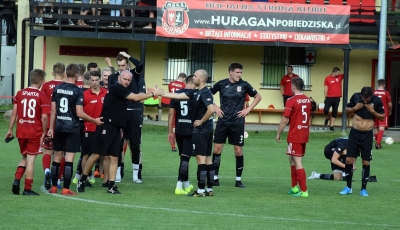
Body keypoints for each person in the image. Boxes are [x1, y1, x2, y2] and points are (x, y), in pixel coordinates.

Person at [76, 70, 162, 194]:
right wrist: (153, 93)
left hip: (117, 128)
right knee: (96, 154)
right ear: (119, 78)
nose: (126, 82)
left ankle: (111, 186)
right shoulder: (116, 87)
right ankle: (82, 179)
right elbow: (136, 97)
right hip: (107, 125)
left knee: (114, 157)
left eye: (128, 80)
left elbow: (136, 98)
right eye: (124, 79)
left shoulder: (122, 90)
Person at [47, 63, 103, 196]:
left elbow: (53, 111)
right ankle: (66, 188)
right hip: (73, 128)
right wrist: (94, 120)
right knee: (69, 159)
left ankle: (54, 186)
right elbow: (79, 113)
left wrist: (50, 128)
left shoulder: (57, 88)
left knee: (57, 158)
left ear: (66, 74)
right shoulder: (78, 91)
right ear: (77, 75)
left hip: (59, 127)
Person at [162, 69, 215, 197]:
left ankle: (201, 190)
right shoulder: (196, 92)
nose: (194, 77)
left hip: (202, 130)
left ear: (201, 79)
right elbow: (179, 96)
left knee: (200, 158)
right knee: (207, 158)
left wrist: (201, 121)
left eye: (195, 76)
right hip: (205, 130)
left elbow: (211, 109)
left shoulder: (205, 92)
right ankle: (209, 189)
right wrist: (162, 93)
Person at [210, 63, 262, 188]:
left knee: (238, 151)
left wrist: (248, 109)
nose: (239, 75)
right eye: (237, 72)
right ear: (231, 72)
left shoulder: (244, 85)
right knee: (217, 149)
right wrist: (216, 108)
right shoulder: (221, 84)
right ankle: (215, 178)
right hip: (222, 121)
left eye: (241, 72)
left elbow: (258, 97)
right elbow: (207, 94)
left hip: (237, 123)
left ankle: (238, 180)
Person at [6, 69, 50, 195]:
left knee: (25, 156)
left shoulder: (20, 93)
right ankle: (27, 189)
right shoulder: (42, 96)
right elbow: (45, 117)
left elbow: (14, 112)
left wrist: (10, 129)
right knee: (31, 160)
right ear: (41, 81)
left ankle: (16, 180)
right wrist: (44, 132)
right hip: (34, 131)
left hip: (21, 131)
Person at [340, 86, 384, 196]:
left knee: (365, 161)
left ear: (372, 96)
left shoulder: (377, 101)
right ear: (361, 95)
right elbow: (347, 110)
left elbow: (382, 117)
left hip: (367, 135)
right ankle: (348, 187)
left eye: (367, 99)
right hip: (355, 133)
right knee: (349, 159)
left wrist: (372, 111)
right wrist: (355, 108)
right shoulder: (355, 97)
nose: (365, 100)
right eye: (363, 98)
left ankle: (363, 189)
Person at [108, 51, 145, 184]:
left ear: (127, 64)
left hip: (134, 112)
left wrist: (129, 55)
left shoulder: (134, 75)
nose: (121, 68)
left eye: (123, 65)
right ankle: (117, 172)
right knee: (118, 144)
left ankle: (136, 174)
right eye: (119, 65)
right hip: (120, 113)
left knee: (135, 144)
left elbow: (140, 64)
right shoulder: (113, 78)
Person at [276, 77, 311, 198]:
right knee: (291, 159)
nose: (290, 88)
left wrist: (278, 133)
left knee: (297, 162)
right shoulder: (308, 100)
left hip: (295, 134)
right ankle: (294, 187)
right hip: (303, 134)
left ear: (294, 87)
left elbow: (285, 119)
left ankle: (304, 191)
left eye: (291, 86)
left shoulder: (291, 100)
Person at [72, 71, 107, 185]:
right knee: (86, 154)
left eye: (96, 80)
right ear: (89, 81)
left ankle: (107, 180)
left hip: (103, 128)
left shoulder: (106, 93)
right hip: (90, 128)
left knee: (105, 154)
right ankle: (84, 178)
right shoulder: (84, 94)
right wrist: (92, 120)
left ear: (100, 79)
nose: (94, 82)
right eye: (92, 80)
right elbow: (80, 113)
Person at [168, 75, 195, 195]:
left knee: (184, 157)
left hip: (179, 129)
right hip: (190, 130)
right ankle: (179, 186)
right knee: (185, 158)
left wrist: (170, 131)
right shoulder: (195, 94)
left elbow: (170, 114)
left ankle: (187, 185)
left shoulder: (177, 94)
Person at [40, 62, 65, 190]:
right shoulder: (66, 86)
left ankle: (47, 170)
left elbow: (42, 104)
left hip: (49, 120)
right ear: (64, 74)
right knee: (61, 153)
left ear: (52, 73)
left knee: (47, 151)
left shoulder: (45, 86)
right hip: (63, 122)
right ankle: (59, 179)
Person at [161, 72, 187, 151]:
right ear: (183, 78)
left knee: (172, 124)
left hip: (172, 104)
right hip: (180, 105)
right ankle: (182, 143)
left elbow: (170, 94)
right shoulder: (183, 85)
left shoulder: (171, 84)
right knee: (179, 123)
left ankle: (173, 145)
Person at [323, 67, 344, 131]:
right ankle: (327, 117)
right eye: (338, 72)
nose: (339, 73)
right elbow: (325, 87)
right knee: (326, 110)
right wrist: (326, 96)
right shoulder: (327, 78)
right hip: (329, 97)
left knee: (335, 111)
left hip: (337, 97)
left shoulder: (340, 77)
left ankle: (331, 126)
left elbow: (347, 73)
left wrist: (344, 65)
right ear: (334, 72)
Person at [373, 79, 392, 149]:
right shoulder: (386, 93)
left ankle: (378, 143)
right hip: (383, 112)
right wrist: (390, 110)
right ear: (384, 85)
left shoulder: (374, 92)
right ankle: (378, 143)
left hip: (374, 112)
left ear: (378, 84)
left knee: (376, 127)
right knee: (382, 127)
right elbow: (390, 104)